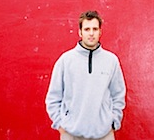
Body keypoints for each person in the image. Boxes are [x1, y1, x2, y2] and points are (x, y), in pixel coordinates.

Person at [45, 10, 126, 140]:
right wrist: (60, 124)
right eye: (87, 29)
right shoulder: (66, 60)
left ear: (100, 32)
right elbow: (53, 97)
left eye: (95, 29)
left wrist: (113, 122)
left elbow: (118, 95)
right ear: (80, 32)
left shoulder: (111, 60)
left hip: (104, 134)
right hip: (71, 134)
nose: (91, 33)